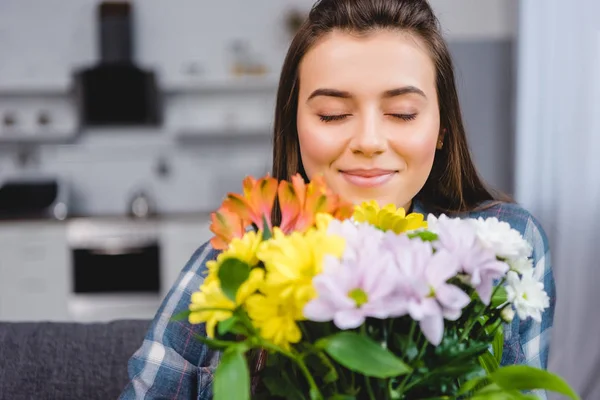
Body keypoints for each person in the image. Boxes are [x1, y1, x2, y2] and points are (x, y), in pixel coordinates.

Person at [119, 0, 555, 398]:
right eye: (333, 114)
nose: (368, 141)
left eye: (402, 113)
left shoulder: (505, 244)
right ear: (295, 127)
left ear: (442, 128)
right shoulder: (231, 265)